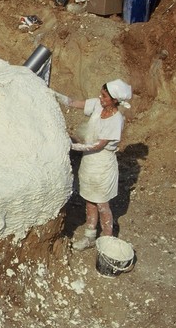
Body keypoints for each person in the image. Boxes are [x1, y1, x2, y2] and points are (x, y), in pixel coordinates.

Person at [54, 79, 132, 250]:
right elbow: (73, 102)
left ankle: (106, 240)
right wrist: (55, 95)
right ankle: (90, 236)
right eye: (101, 93)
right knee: (89, 200)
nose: (100, 97)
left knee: (102, 204)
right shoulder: (98, 105)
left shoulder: (116, 119)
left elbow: (99, 145)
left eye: (104, 96)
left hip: (102, 164)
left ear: (115, 100)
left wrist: (72, 145)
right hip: (89, 161)